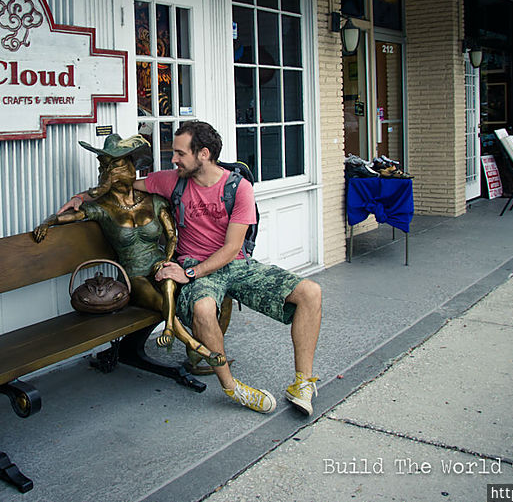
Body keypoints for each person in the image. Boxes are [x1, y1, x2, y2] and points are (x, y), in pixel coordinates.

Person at [60, 121, 323, 416]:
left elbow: (232, 249)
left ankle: (303, 382)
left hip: (231, 265)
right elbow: (119, 185)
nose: (173, 159)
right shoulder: (172, 180)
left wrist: (188, 275)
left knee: (310, 293)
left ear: (204, 154)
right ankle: (232, 387)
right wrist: (82, 197)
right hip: (192, 262)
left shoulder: (239, 188)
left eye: (180, 153)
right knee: (203, 310)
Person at [35, 134, 226, 367]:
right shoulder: (102, 208)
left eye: (122, 163)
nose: (119, 170)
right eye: (110, 166)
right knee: (158, 301)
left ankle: (196, 344)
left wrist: (167, 261)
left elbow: (171, 236)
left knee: (207, 292)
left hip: (161, 265)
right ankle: (195, 346)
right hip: (132, 274)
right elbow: (72, 214)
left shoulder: (152, 199)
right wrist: (47, 222)